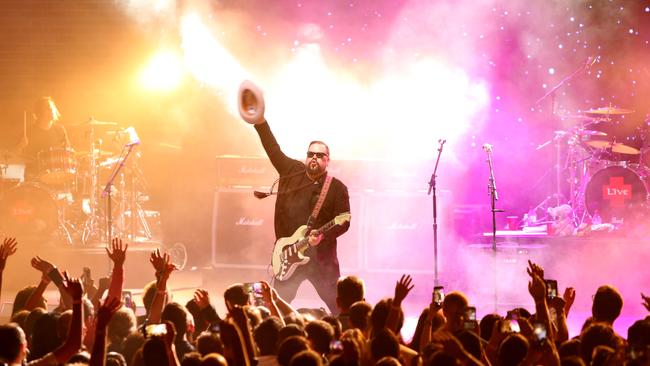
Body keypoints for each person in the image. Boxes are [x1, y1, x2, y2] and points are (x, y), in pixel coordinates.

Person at [250, 118, 351, 314]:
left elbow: (344, 220)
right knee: (275, 307)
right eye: (310, 154)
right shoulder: (291, 171)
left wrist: (323, 236)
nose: (314, 158)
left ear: (327, 160)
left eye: (320, 155)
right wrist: (260, 122)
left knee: (339, 307)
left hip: (322, 261)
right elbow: (273, 149)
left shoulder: (337, 188)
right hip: (288, 255)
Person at [15, 96, 72, 180]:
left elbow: (68, 151)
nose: (52, 110)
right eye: (48, 108)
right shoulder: (28, 132)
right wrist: (20, 146)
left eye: (52, 108)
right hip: (35, 177)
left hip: (57, 176)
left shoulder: (59, 130)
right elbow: (14, 156)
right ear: (39, 112)